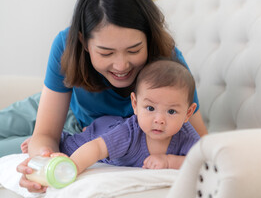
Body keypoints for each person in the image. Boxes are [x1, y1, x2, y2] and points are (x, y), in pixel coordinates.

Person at [8, 0, 207, 193]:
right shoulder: (66, 46)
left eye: (133, 50)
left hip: (79, 132)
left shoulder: (168, 67)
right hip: (58, 105)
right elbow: (46, 133)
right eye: (106, 52)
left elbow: (201, 145)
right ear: (84, 42)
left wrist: (169, 160)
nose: (121, 65)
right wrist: (43, 157)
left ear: (148, 40)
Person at [47, 59, 200, 174]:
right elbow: (97, 148)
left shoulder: (187, 136)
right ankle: (63, 137)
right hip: (103, 132)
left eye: (171, 111)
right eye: (150, 108)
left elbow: (206, 161)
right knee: (71, 146)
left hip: (112, 126)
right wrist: (72, 165)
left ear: (188, 113)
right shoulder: (130, 133)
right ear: (135, 104)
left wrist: (170, 161)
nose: (159, 119)